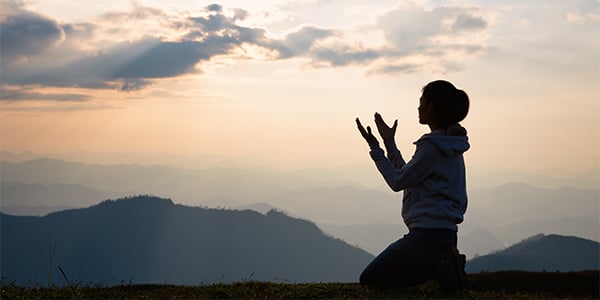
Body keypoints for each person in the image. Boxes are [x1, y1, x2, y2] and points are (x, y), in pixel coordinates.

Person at [355, 80, 470, 292]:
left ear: (432, 107)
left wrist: (375, 148)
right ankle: (441, 267)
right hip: (443, 234)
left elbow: (397, 182)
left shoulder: (433, 147)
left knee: (371, 278)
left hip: (427, 236)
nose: (418, 107)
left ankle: (438, 274)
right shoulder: (448, 145)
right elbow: (409, 175)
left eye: (422, 102)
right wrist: (389, 143)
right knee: (380, 276)